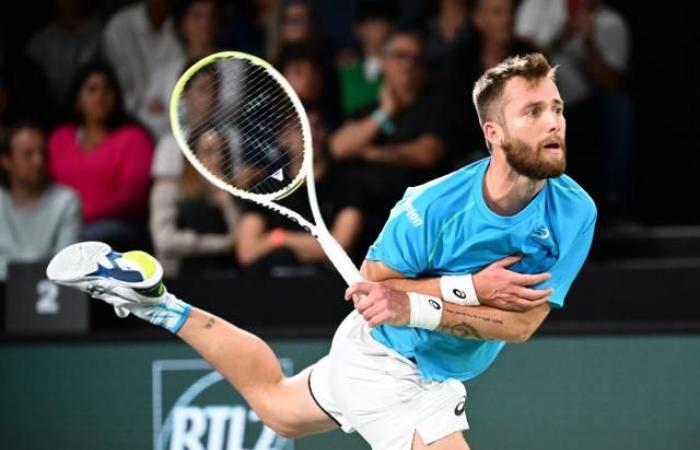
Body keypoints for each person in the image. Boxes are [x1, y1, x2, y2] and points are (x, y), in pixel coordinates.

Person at [47, 53, 596, 450]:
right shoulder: (429, 207)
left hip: (410, 358)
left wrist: (429, 301)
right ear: (494, 133)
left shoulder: (575, 212)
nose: (554, 122)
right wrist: (464, 291)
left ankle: (156, 301)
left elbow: (522, 326)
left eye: (556, 107)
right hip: (393, 367)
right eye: (533, 112)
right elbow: (378, 287)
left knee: (279, 410)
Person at [329, 30, 448, 246]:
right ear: (383, 62)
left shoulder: (434, 110)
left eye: (416, 59)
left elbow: (426, 153)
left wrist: (369, 152)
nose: (408, 64)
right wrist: (385, 112)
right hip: (364, 217)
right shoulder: (369, 110)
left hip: (414, 219)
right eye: (400, 55)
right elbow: (338, 147)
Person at [235, 106, 364, 271]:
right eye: (300, 127)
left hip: (327, 284)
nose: (310, 134)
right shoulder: (266, 188)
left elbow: (340, 246)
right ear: (283, 137)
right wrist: (310, 248)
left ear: (325, 133)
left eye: (316, 126)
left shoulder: (346, 183)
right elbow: (246, 252)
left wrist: (279, 238)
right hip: (271, 285)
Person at [48, 60, 154, 249]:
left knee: (78, 240)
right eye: (92, 90)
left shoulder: (134, 138)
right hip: (62, 225)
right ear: (77, 100)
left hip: (118, 229)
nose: (100, 96)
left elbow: (131, 199)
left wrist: (77, 216)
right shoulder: (59, 138)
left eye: (107, 89)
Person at [150, 127, 240, 277]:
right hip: (180, 278)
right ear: (190, 157)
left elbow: (241, 242)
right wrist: (222, 244)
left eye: (223, 152)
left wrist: (227, 204)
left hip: (225, 276)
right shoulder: (167, 189)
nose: (218, 159)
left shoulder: (232, 192)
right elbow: (164, 241)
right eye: (209, 151)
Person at [1, 123, 80, 282]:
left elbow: (66, 268)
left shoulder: (66, 201)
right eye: (28, 154)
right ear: (6, 161)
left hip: (51, 295)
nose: (38, 161)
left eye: (42, 153)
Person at [101, 0, 182, 114]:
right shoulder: (119, 27)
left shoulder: (182, 28)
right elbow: (109, 83)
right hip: (122, 116)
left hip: (166, 118)